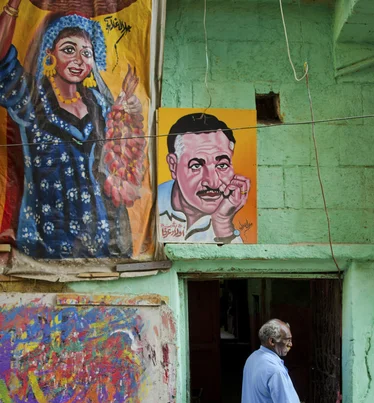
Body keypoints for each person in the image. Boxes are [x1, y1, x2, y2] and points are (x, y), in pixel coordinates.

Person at [0, 2, 141, 258]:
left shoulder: (98, 102)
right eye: (69, 50)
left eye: (86, 53)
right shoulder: (32, 97)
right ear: (50, 53)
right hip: (45, 234)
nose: (79, 61)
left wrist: (127, 105)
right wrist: (12, 5)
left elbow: (119, 152)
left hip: (100, 237)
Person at [158, 112, 250, 243]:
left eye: (222, 165)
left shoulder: (231, 211)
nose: (213, 183)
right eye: (196, 166)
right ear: (173, 166)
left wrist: (223, 224)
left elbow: (237, 262)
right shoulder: (150, 206)